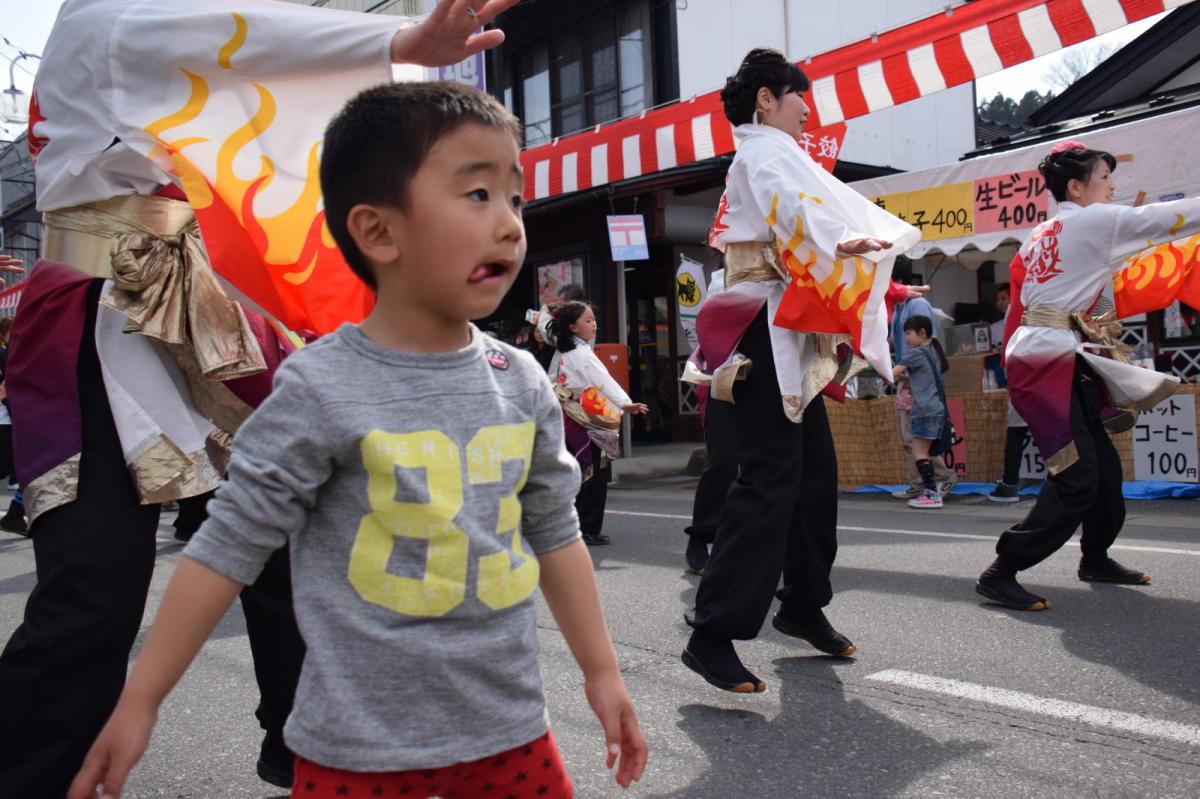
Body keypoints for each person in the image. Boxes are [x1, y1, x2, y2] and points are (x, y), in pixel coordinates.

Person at [69, 80, 647, 799]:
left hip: (511, 734)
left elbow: (556, 532)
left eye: (515, 198)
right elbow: (228, 546)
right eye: (477, 194)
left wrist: (603, 673)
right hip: (354, 754)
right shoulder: (319, 386)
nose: (508, 224)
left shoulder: (521, 378)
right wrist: (141, 699)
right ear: (378, 231)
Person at [0, 1, 521, 794]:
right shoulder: (111, 19)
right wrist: (395, 41)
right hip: (98, 312)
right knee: (93, 597)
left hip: (188, 302)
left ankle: (311, 746)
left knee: (297, 526)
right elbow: (235, 37)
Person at [681, 48, 920, 693]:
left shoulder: (778, 152)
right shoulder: (762, 154)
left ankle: (803, 604)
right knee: (769, 478)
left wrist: (843, 245)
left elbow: (808, 207)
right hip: (757, 329)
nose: (806, 107)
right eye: (797, 96)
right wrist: (837, 241)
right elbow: (798, 211)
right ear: (766, 97)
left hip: (780, 327)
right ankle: (712, 632)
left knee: (814, 474)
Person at [975, 141, 1200, 611]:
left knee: (1105, 470)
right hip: (1045, 358)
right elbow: (1172, 218)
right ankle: (1002, 570)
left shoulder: (1041, 234)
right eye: (1104, 178)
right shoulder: (1093, 220)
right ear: (1076, 187)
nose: (1113, 186)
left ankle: (1094, 557)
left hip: (1055, 354)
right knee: (1076, 474)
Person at [551, 300, 648, 546]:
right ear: (573, 327)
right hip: (583, 416)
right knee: (595, 471)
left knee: (583, 470)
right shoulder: (582, 354)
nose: (594, 324)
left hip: (571, 413)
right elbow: (603, 382)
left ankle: (578, 525)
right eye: (588, 320)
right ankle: (588, 527)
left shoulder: (571, 351)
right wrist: (626, 403)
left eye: (593, 319)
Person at [683, 267, 733, 575]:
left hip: (775, 380)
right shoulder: (722, 281)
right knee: (724, 462)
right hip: (726, 377)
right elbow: (711, 334)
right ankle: (700, 539)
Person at [891, 285, 956, 500]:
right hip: (935, 407)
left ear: (922, 333)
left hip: (923, 407)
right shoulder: (933, 351)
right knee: (920, 448)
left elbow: (891, 374)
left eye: (908, 334)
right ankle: (926, 488)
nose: (906, 339)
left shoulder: (915, 353)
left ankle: (933, 490)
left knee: (919, 450)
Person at [987, 285, 1030, 503]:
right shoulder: (1042, 300)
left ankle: (1010, 483)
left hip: (1022, 375)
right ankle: (1064, 480)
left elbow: (1009, 346)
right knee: (1052, 433)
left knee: (1016, 433)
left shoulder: (1016, 308)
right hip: (1045, 373)